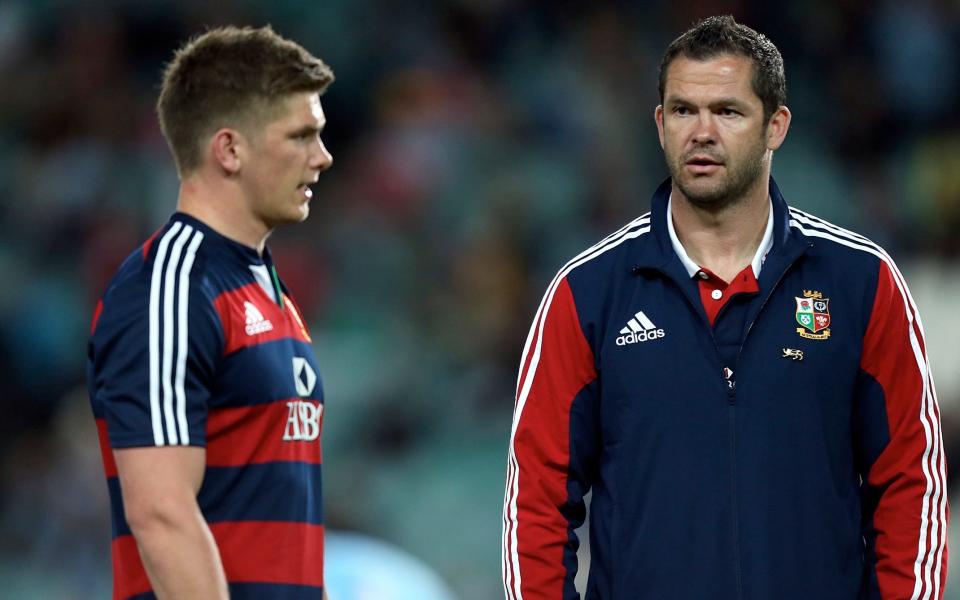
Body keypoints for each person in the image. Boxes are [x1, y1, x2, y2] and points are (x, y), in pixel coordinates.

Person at [502, 15, 947, 600]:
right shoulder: (587, 292)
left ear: (776, 127)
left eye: (728, 111)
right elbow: (535, 499)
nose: (702, 132)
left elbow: (911, 484)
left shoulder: (862, 282)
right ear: (660, 125)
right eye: (684, 111)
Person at [88, 25, 333, 599]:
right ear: (228, 149)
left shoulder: (262, 284)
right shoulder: (170, 288)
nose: (322, 157)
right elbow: (160, 514)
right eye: (301, 136)